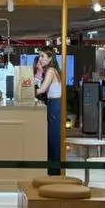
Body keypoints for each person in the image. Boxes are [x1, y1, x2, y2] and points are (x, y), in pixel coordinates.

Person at [35, 48, 64, 176]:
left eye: (42, 56)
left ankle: (54, 171)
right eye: (39, 56)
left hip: (55, 105)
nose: (40, 59)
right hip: (53, 104)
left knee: (54, 138)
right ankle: (53, 169)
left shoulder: (51, 70)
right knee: (52, 137)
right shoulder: (52, 70)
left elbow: (42, 89)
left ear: (50, 58)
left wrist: (27, 91)